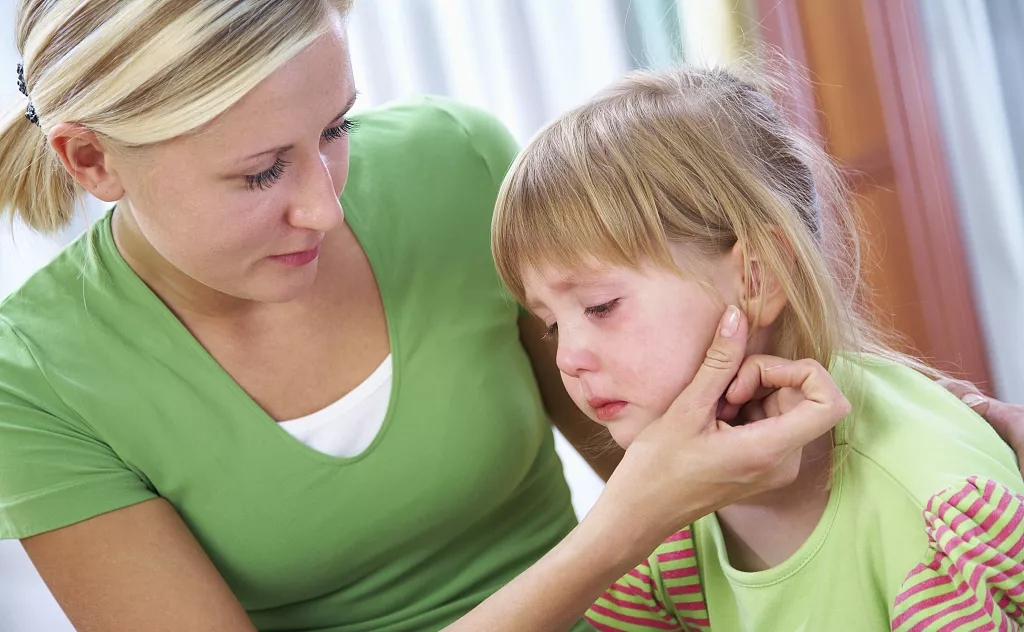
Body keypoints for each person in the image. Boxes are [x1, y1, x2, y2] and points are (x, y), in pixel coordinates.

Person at [0, 2, 854, 631]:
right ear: (90, 159)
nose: (326, 208)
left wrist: (951, 423)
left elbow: (710, 398)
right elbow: (651, 494)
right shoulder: (35, 378)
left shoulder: (455, 162)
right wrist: (622, 530)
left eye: (335, 129)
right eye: (262, 173)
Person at [490, 64, 1024, 631]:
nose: (567, 358)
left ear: (757, 276)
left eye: (600, 307)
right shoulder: (661, 519)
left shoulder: (932, 518)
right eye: (550, 325)